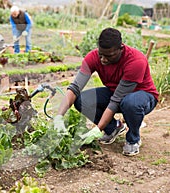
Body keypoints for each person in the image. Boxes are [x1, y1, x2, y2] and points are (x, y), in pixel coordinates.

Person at [54, 27, 159, 156]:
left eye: (109, 55)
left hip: (143, 96)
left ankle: (133, 139)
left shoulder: (136, 61)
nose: (103, 59)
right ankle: (113, 128)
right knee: (82, 99)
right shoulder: (93, 57)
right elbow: (75, 87)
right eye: (101, 54)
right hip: (115, 92)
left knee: (130, 103)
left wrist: (98, 129)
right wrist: (59, 116)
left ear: (121, 48)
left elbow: (116, 101)